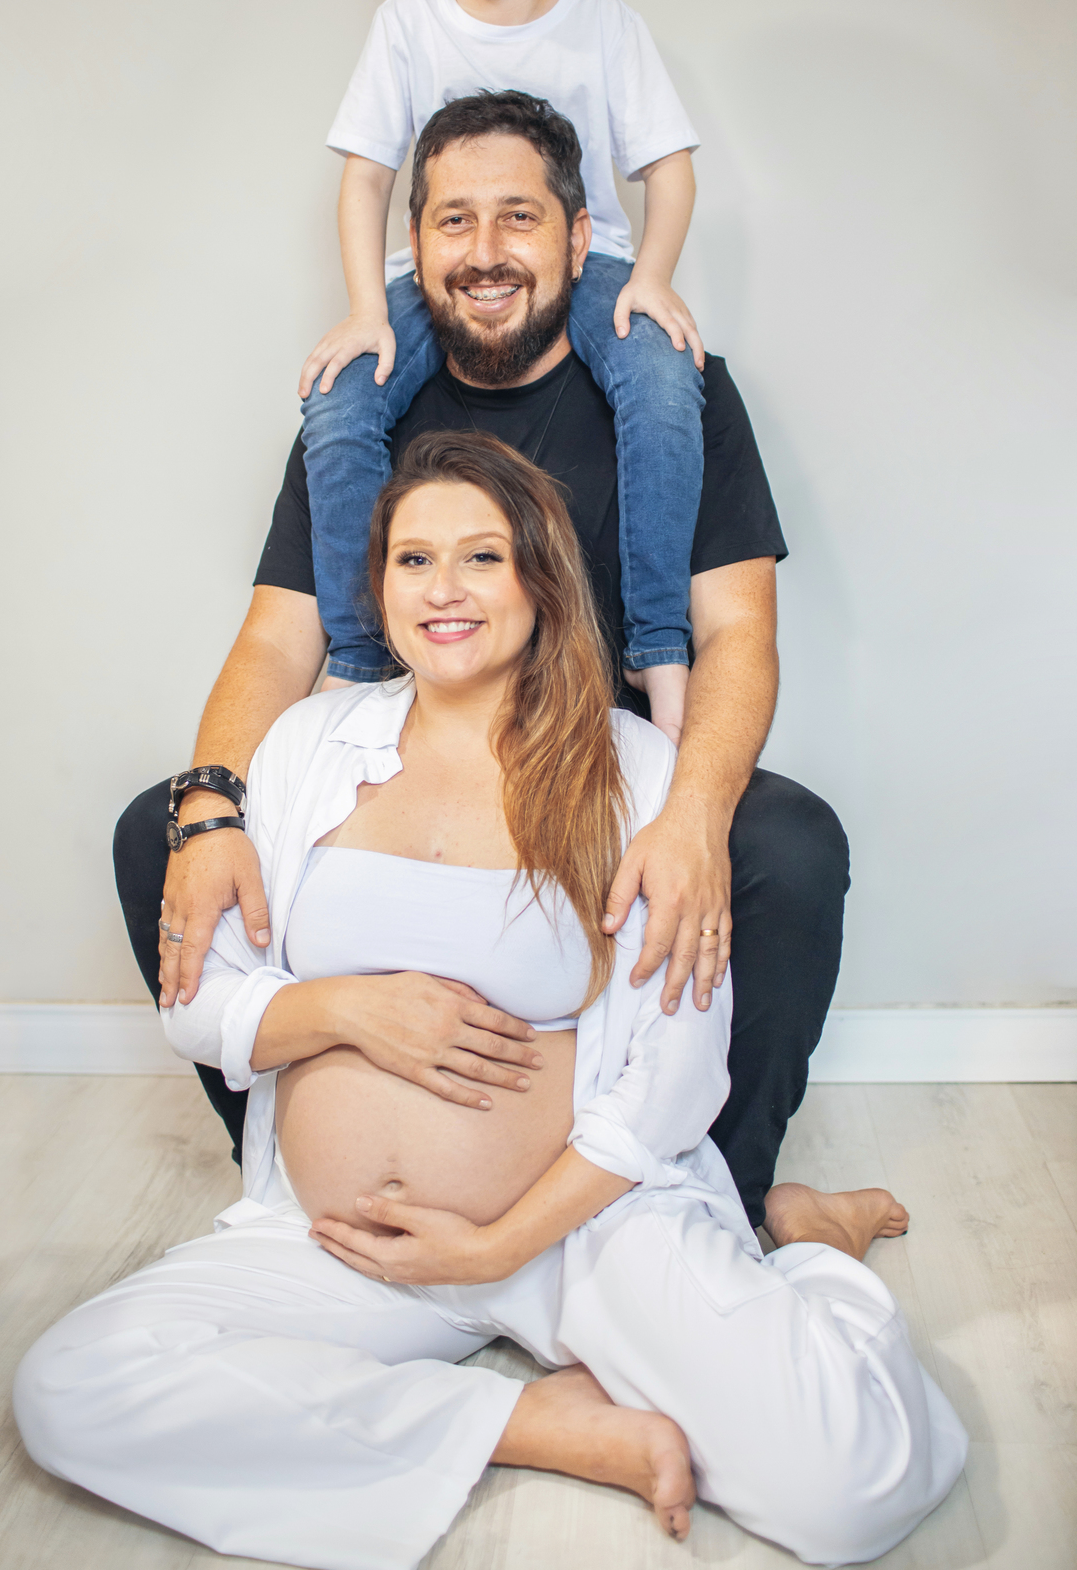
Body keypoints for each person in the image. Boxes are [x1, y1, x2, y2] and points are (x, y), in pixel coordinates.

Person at [19, 436, 967, 1569]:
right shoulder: (302, 752)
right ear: (378, 590)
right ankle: (528, 1423)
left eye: (482, 556)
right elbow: (197, 1000)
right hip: (347, 1244)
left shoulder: (631, 773)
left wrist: (497, 1246)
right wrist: (345, 1011)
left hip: (577, 1236)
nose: (445, 589)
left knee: (850, 1487)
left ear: (541, 579)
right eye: (414, 559)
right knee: (73, 1386)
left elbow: (674, 1070)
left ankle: (818, 1256)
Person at [114, 90, 869, 1252]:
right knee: (156, 833)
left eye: (519, 217)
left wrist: (692, 813)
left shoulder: (677, 394)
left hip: (608, 781)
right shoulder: (361, 407)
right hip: (410, 767)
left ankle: (718, 1202)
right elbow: (277, 638)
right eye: (453, 221)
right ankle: (315, 1170)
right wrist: (211, 807)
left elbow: (738, 633)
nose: (484, 253)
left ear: (580, 236)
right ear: (412, 245)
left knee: (787, 847)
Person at [298, 0, 706, 742]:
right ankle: (358, 658)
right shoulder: (406, 25)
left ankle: (656, 643)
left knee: (662, 382)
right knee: (339, 400)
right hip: (439, 275)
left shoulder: (603, 20)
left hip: (583, 265)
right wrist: (367, 310)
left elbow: (671, 168)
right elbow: (365, 180)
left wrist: (651, 277)